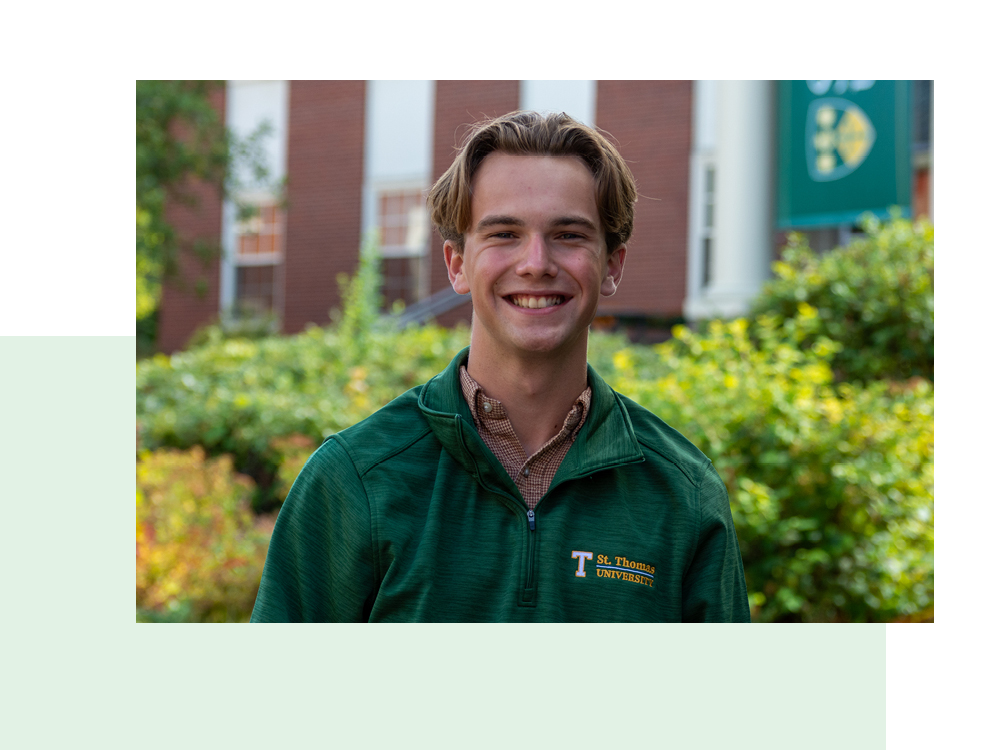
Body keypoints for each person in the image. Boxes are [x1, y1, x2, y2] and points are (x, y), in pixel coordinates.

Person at [250, 111, 751, 622]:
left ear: (612, 265)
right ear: (457, 264)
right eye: (504, 234)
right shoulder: (354, 480)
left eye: (569, 235)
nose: (536, 262)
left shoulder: (683, 495)